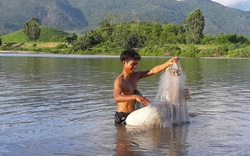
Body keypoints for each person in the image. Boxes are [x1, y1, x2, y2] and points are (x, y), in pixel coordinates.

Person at [113, 49, 178, 125]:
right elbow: (116, 97)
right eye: (133, 64)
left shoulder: (135, 76)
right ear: (124, 63)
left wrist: (168, 63)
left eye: (136, 64)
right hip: (122, 116)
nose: (135, 67)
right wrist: (135, 97)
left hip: (133, 116)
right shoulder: (120, 80)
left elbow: (153, 71)